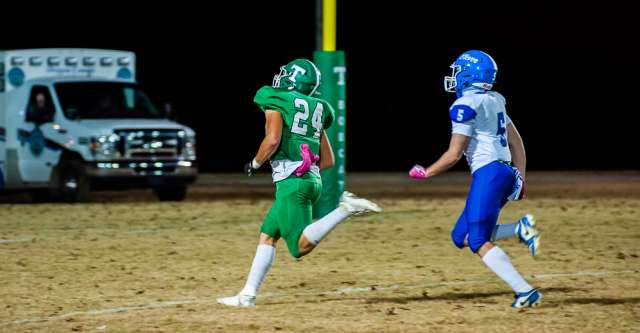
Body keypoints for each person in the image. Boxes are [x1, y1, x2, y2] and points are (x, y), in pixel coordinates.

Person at [217, 59, 382, 307]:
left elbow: (272, 140)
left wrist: (254, 163)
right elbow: (328, 160)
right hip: (309, 180)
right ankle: (247, 295)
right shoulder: (319, 108)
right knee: (267, 236)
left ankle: (345, 209)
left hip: (292, 184)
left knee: (298, 248)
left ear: (293, 79)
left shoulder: (275, 98)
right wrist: (303, 168)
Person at [409, 50, 542, 308]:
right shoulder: (495, 100)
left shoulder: (464, 105)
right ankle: (519, 229)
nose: (454, 76)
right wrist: (521, 178)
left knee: (479, 240)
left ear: (469, 75)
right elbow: (517, 142)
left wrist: (427, 172)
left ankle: (525, 291)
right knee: (462, 236)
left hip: (490, 174)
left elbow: (453, 154)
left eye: (458, 71)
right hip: (503, 173)